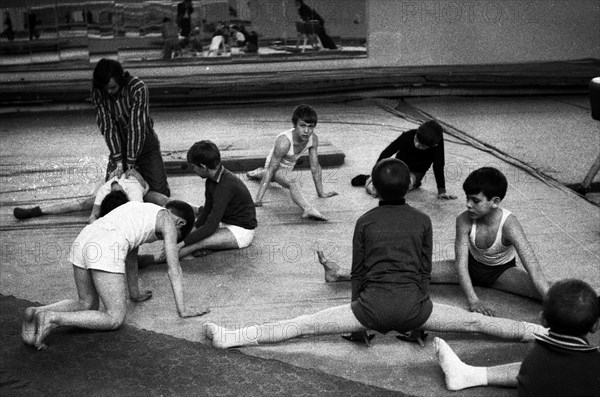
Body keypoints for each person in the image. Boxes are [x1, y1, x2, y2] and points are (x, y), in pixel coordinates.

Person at [204, 159, 546, 349]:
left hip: (369, 309)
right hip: (417, 309)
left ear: (374, 190)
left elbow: (360, 275)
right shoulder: (423, 219)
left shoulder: (365, 221)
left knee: (301, 325)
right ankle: (545, 333)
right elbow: (422, 273)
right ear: (409, 187)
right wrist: (417, 322)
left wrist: (358, 322)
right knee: (476, 323)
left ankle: (232, 337)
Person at [325, 167, 551, 317]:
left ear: (495, 201)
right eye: (466, 198)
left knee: (548, 292)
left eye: (475, 200)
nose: (468, 205)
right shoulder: (464, 219)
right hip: (467, 269)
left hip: (501, 273)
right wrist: (473, 300)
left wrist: (550, 305)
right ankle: (340, 273)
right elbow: (461, 264)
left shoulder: (509, 224)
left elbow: (534, 269)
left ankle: (580, 317)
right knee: (407, 270)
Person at [21, 196, 207, 351]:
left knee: (86, 302)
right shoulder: (168, 220)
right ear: (180, 222)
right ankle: (53, 318)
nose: (163, 239)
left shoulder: (140, 208)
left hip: (85, 238)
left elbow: (132, 254)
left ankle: (37, 312)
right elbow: (174, 269)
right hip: (107, 244)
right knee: (114, 318)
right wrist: (182, 309)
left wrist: (134, 293)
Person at [435, 278, 600, 395]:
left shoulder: (534, 354)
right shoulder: (595, 362)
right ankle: (467, 375)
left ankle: (469, 374)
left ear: (542, 320)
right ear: (595, 326)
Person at [91, 59, 171, 198]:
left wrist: (131, 164)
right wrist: (119, 163)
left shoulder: (137, 88)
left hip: (145, 145)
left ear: (121, 79)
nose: (109, 92)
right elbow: (108, 127)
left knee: (160, 193)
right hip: (119, 148)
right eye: (106, 89)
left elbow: (137, 127)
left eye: (113, 88)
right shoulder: (98, 92)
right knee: (111, 195)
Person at [246, 104, 338, 221]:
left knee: (277, 176)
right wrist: (258, 199)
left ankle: (257, 173)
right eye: (302, 125)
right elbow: (271, 169)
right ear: (294, 125)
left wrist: (321, 193)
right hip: (273, 166)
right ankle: (307, 209)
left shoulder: (313, 139)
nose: (306, 131)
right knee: (293, 182)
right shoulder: (284, 141)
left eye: (310, 127)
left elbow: (315, 166)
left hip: (286, 170)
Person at [177, 140, 257, 258]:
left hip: (241, 231)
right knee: (190, 237)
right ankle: (211, 246)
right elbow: (206, 213)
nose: (193, 170)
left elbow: (210, 226)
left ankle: (156, 258)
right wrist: (192, 229)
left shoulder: (225, 185)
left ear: (203, 167)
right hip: (225, 223)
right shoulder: (211, 180)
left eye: (194, 167)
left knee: (193, 244)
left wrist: (182, 243)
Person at [13, 168, 154, 223]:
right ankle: (37, 210)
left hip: (139, 183)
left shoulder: (134, 193)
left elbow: (139, 215)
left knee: (159, 199)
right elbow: (92, 216)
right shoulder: (104, 191)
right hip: (119, 180)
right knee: (82, 204)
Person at [362, 120, 456, 200]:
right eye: (416, 140)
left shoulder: (437, 145)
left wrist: (441, 191)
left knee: (399, 188)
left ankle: (383, 186)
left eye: (422, 146)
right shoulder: (409, 135)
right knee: (386, 180)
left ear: (433, 146)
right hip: (399, 166)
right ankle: (370, 182)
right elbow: (387, 152)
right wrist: (375, 173)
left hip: (416, 172)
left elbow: (438, 166)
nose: (417, 144)